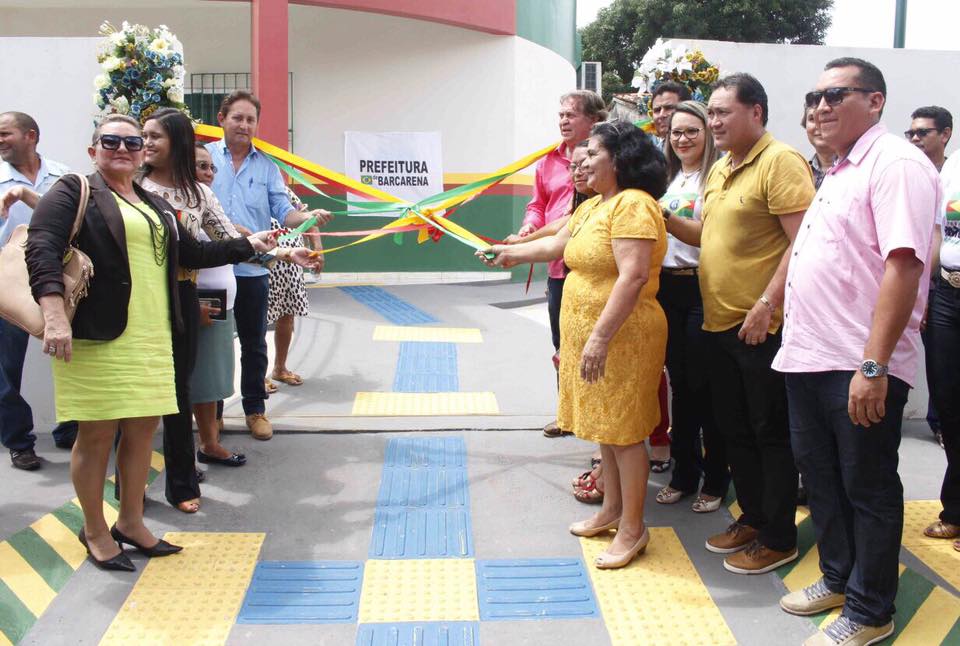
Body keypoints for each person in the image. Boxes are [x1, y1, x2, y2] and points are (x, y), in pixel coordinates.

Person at [25, 114, 276, 571]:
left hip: (154, 334)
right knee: (97, 434)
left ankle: (132, 522)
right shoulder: (74, 190)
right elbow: (41, 246)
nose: (122, 148)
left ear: (143, 151)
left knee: (142, 431)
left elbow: (193, 253)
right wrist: (54, 314)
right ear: (92, 149)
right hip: (101, 335)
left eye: (132, 142)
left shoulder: (152, 203)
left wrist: (252, 245)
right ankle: (96, 530)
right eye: (110, 141)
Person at [774, 58, 940, 646]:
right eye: (813, 95)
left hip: (857, 363)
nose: (819, 106)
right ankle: (839, 576)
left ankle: (871, 611)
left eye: (835, 94)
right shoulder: (837, 171)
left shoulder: (895, 164)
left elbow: (905, 265)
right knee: (822, 479)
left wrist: (874, 366)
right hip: (809, 357)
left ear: (874, 101)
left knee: (867, 487)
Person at [481, 122, 668, 570]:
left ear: (619, 160)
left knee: (624, 433)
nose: (582, 162)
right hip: (592, 333)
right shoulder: (594, 206)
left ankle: (633, 528)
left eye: (592, 154)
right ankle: (612, 511)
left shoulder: (634, 206)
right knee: (605, 428)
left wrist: (600, 337)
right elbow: (558, 245)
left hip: (623, 335)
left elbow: (634, 276)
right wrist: (508, 253)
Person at [666, 73, 815, 574]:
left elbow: (804, 242)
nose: (713, 122)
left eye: (722, 112)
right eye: (711, 113)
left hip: (759, 327)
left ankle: (778, 536)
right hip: (717, 324)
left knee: (768, 431)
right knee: (734, 431)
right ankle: (752, 517)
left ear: (756, 111)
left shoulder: (780, 162)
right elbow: (708, 236)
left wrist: (768, 303)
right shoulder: (722, 168)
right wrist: (659, 215)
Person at [206, 90, 332, 441]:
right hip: (213, 270)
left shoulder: (267, 166)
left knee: (254, 343)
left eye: (250, 119)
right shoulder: (205, 160)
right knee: (214, 343)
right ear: (222, 119)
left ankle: (255, 410)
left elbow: (284, 211)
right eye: (237, 117)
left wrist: (308, 218)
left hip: (254, 270)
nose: (244, 125)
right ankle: (212, 413)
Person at [512, 90, 606, 438]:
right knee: (562, 344)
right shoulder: (548, 161)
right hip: (557, 267)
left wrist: (524, 245)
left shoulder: (609, 161)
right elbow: (538, 206)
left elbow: (573, 217)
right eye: (561, 115)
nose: (563, 121)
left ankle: (596, 419)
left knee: (595, 344)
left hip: (594, 266)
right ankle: (567, 413)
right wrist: (529, 228)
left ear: (593, 120)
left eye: (571, 115)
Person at [653, 101, 728, 514]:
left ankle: (716, 478)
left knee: (706, 388)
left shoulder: (716, 177)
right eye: (676, 132)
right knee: (680, 385)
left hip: (702, 288)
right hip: (666, 289)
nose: (682, 139)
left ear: (708, 134)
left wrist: (663, 217)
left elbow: (708, 236)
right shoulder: (666, 176)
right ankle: (684, 472)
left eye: (691, 131)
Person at [0, 111, 77, 469]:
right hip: (10, 282)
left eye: (5, 133)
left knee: (69, 361)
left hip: (59, 281)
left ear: (31, 135)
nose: (0, 140)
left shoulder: (63, 177)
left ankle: (70, 429)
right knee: (4, 371)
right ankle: (18, 440)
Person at [191, 143, 248, 473]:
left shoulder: (208, 204)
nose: (209, 173)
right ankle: (187, 456)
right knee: (191, 383)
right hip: (197, 306)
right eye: (201, 166)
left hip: (220, 306)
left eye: (211, 167)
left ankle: (209, 444)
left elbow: (235, 243)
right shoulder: (178, 208)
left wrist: (283, 253)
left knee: (211, 384)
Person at [923, 127, 960, 548]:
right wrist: (925, 296)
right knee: (950, 407)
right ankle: (955, 509)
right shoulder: (952, 170)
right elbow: (936, 234)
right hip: (948, 294)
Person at [267, 187, 322, 390]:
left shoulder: (285, 193)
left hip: (292, 266)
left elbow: (309, 221)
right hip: (265, 264)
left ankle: (280, 368)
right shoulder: (250, 191)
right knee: (257, 322)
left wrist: (318, 251)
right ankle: (257, 376)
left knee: (288, 316)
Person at [906, 105, 952, 172]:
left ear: (945, 134)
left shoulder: (955, 175)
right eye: (911, 134)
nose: (914, 138)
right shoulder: (901, 172)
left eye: (922, 132)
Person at [802, 105, 833, 189]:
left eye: (825, 118)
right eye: (812, 119)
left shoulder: (859, 169)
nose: (818, 125)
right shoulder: (801, 171)